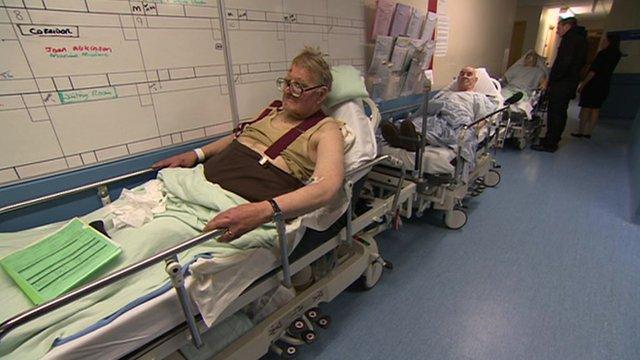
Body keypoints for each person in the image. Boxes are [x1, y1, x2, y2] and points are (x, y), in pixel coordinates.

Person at [153, 47, 344, 243]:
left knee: (157, 238)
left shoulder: (325, 130)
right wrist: (197, 153)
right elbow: (240, 136)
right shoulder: (272, 110)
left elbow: (327, 187)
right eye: (287, 82)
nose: (287, 91)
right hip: (198, 184)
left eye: (298, 86)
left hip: (238, 202)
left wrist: (263, 210)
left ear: (320, 95)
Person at [381, 66, 499, 180]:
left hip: (456, 118)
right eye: (462, 74)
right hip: (434, 114)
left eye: (469, 74)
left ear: (476, 80)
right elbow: (429, 105)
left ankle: (415, 139)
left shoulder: (478, 97)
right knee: (420, 122)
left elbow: (483, 119)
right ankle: (404, 138)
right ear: (457, 78)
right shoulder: (446, 93)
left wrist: (472, 129)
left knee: (441, 128)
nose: (464, 76)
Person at [531, 17, 587, 152]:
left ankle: (550, 143)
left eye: (559, 27)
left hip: (562, 84)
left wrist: (552, 81)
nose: (557, 31)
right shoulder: (581, 40)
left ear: (567, 26)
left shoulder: (570, 40)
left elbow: (564, 64)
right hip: (569, 82)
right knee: (560, 113)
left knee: (556, 113)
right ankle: (552, 138)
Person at [572, 33, 623, 139]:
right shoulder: (617, 54)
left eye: (604, 40)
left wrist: (583, 84)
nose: (602, 42)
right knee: (596, 108)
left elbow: (593, 71)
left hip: (593, 84)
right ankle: (589, 132)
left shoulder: (602, 54)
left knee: (586, 108)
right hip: (604, 84)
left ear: (609, 42)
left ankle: (581, 131)